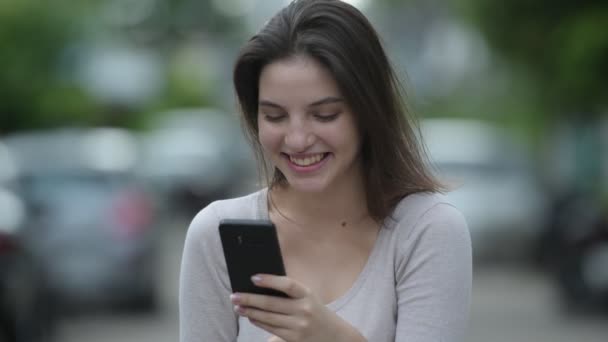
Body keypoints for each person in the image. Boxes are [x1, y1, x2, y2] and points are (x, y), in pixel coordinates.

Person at [179, 0, 472, 341]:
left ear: (369, 112)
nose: (298, 139)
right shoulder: (214, 234)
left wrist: (329, 336)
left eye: (325, 114)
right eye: (274, 116)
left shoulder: (427, 230)